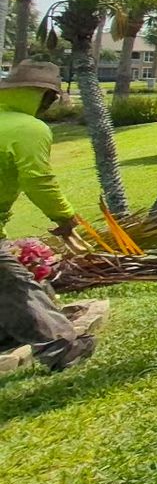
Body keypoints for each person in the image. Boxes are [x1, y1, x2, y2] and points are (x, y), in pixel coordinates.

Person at [0, 61, 89, 371]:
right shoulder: (28, 128)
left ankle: (5, 336)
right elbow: (38, 180)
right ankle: (61, 348)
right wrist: (64, 217)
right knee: (16, 286)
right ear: (41, 95)